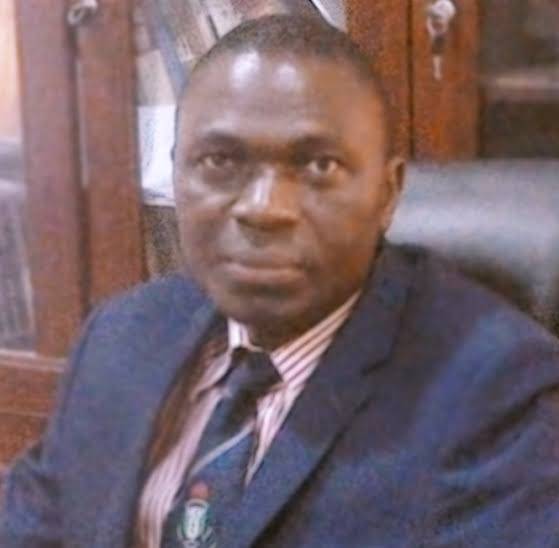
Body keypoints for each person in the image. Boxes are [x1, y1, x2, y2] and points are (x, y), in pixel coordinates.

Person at [2, 14, 559, 548]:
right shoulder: (122, 335)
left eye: (319, 166)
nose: (264, 208)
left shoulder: (495, 394)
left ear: (387, 193)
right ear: (175, 173)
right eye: (220, 161)